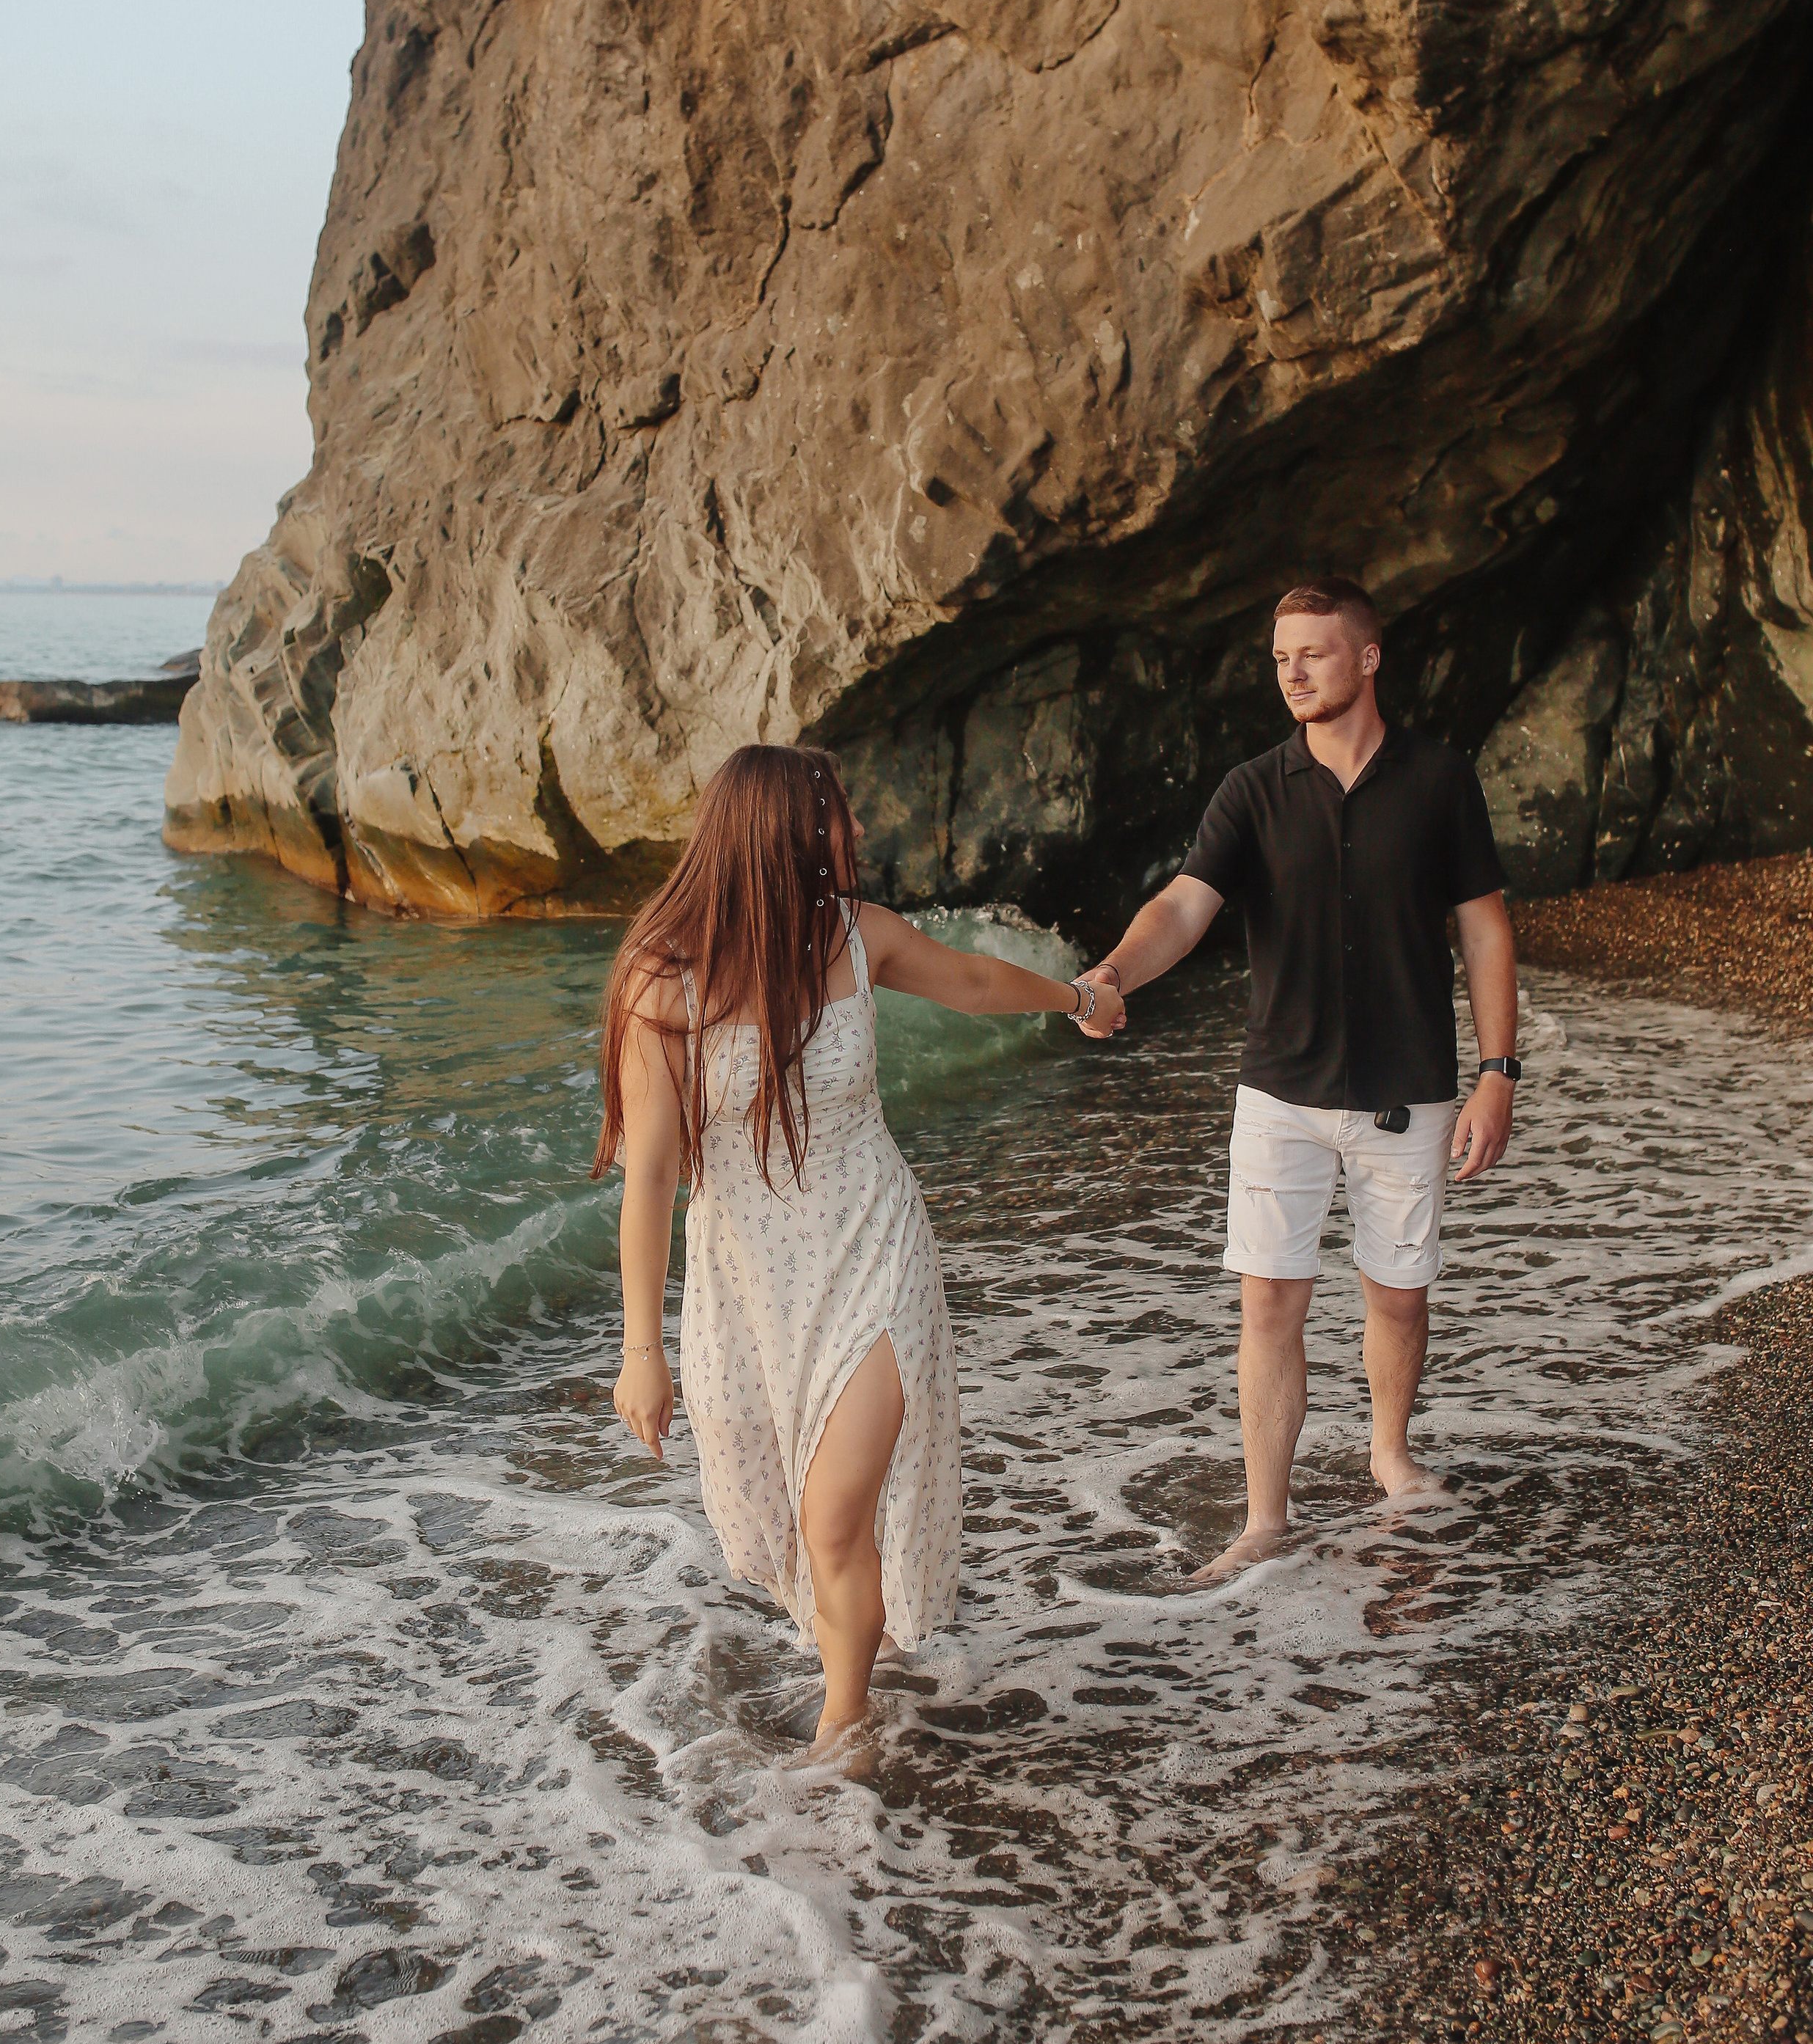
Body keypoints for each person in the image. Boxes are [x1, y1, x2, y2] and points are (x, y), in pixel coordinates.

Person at [596, 745, 1096, 1740]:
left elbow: (975, 983)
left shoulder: (859, 937)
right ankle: (846, 1676)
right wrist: (640, 1355)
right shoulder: (663, 979)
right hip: (749, 1282)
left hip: (874, 1249)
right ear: (778, 831)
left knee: (835, 1517)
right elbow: (649, 1178)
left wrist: (1079, 999)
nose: (855, 832)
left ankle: (845, 1725)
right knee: (795, 1522)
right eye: (836, 813)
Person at [1075, 578, 1519, 1582]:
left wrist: (1499, 1072)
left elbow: (1485, 925)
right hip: (1280, 1092)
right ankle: (1264, 1518)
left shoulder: (1441, 779)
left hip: (1412, 1087)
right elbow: (1186, 906)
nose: (1293, 673)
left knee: (1398, 1297)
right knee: (1270, 1304)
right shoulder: (1252, 789)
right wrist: (1111, 970)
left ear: (1367, 658)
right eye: (1280, 659)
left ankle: (1390, 1456)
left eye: (1313, 653)